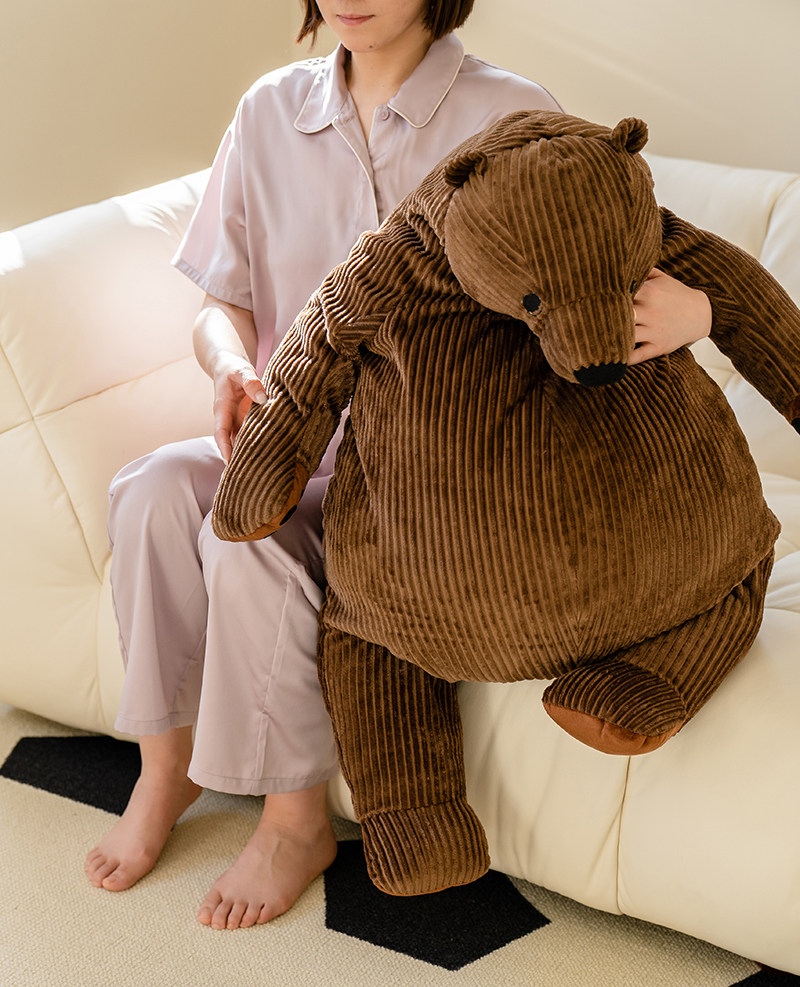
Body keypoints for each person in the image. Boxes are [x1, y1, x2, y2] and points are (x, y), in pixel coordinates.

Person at [84, 0, 713, 931]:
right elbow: (224, 297)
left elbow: (610, 257)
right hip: (295, 440)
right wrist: (230, 365)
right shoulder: (269, 110)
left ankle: (294, 822)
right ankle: (163, 768)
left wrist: (700, 311)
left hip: (435, 481)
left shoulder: (510, 112)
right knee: (152, 489)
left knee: (245, 542)